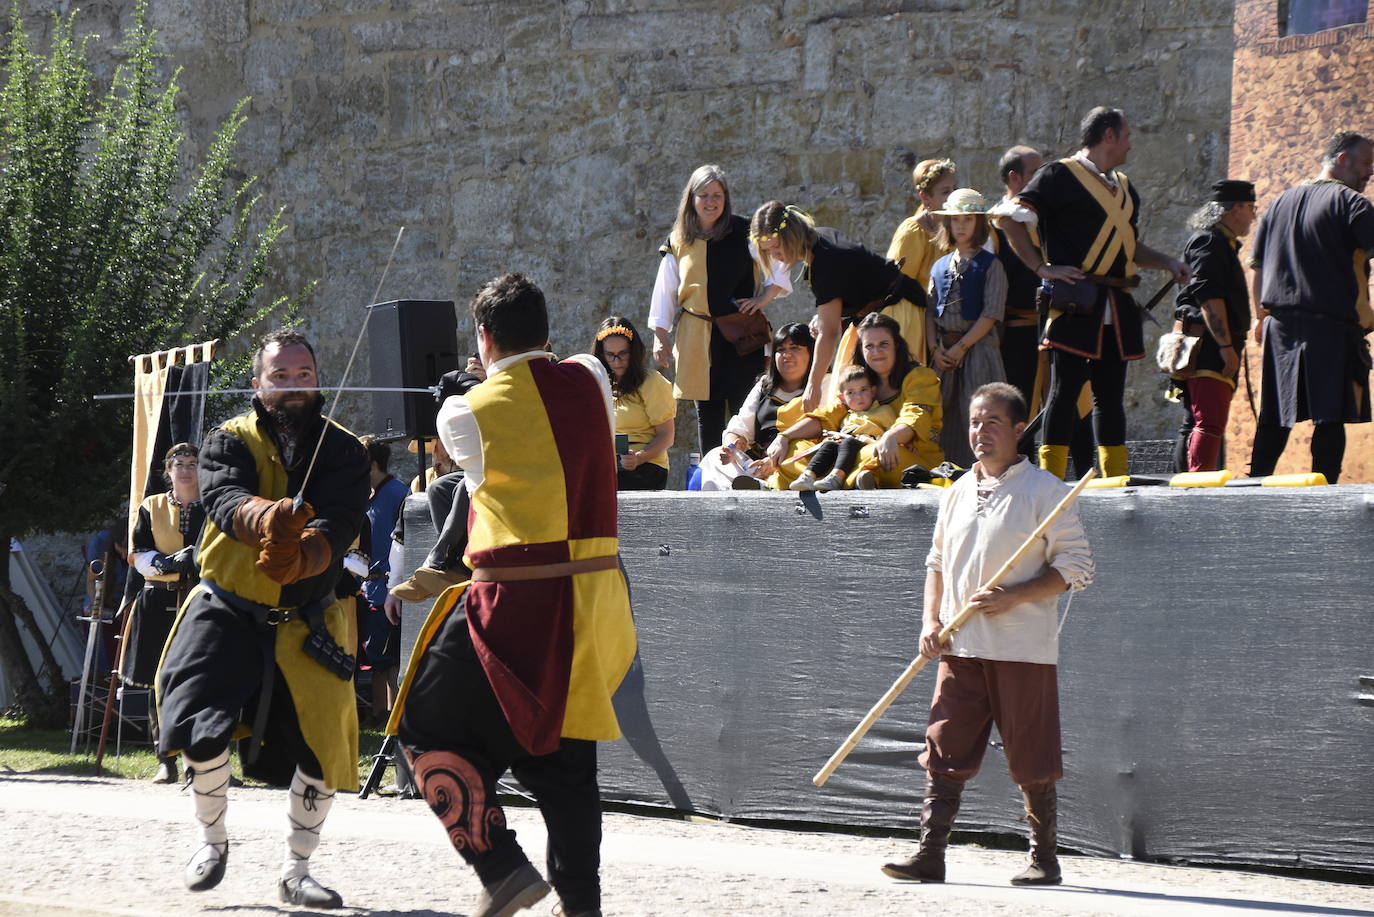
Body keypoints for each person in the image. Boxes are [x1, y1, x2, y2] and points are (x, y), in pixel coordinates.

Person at [395, 273, 636, 917]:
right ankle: (581, 906)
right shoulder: (591, 376)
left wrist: (471, 387)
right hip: (593, 599)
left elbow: (471, 472)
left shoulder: (462, 413)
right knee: (565, 755)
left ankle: (499, 866)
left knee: (420, 727)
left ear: (484, 336)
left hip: (513, 603)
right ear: (546, 332)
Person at [155, 330, 369, 908]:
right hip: (227, 605)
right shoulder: (227, 439)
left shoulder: (346, 450)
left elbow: (343, 518)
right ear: (258, 383)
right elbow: (224, 499)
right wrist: (268, 520)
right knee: (197, 726)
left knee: (324, 747)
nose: (294, 385)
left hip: (309, 615)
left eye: (304, 375)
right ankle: (212, 841)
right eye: (281, 376)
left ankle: (297, 872)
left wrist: (307, 553)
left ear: (317, 380)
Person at [881, 382, 1093, 887]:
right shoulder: (955, 491)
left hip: (1022, 648)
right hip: (960, 646)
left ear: (1019, 429)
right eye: (975, 422)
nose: (981, 431)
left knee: (1032, 755)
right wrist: (931, 623)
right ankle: (929, 855)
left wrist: (1013, 597)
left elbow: (1078, 567)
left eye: (993, 422)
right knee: (943, 748)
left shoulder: (1046, 491)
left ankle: (1044, 859)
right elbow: (936, 563)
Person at [999, 107, 1190, 479]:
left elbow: (1129, 247)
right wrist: (1041, 268)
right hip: (1075, 301)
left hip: (1116, 306)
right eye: (1126, 136)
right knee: (1064, 393)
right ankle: (1050, 480)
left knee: (1110, 397)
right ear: (1108, 136)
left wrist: (1168, 262)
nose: (1130, 144)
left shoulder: (1125, 188)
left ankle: (1115, 481)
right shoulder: (1058, 175)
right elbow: (1009, 219)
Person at [1248, 132, 1374, 483]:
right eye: (1366, 163)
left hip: (1279, 327)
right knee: (1330, 417)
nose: (1371, 172)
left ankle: (1250, 489)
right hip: (1330, 326)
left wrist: (1260, 318)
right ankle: (1325, 497)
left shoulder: (1279, 202)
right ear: (1342, 160)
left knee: (1274, 417)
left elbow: (1257, 268)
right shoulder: (1353, 204)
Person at [648, 165, 792, 451]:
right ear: (692, 198)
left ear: (725, 198)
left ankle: (749, 471)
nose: (710, 202)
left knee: (745, 409)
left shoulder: (745, 232)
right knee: (708, 413)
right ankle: (710, 473)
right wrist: (660, 336)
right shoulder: (679, 240)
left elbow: (782, 256)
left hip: (742, 333)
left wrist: (764, 297)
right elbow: (665, 290)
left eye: (717, 195)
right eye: (704, 195)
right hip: (698, 335)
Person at [751, 202, 927, 411]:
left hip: (893, 315)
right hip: (874, 318)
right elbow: (849, 292)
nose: (774, 255)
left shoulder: (825, 261)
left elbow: (829, 333)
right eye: (768, 250)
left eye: (776, 247)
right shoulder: (821, 240)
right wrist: (823, 317)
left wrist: (813, 386)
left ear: (791, 235)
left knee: (888, 396)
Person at [768, 313, 942, 487]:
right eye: (869, 346)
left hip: (904, 456)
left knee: (870, 453)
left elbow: (915, 418)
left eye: (883, 344)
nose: (876, 352)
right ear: (861, 349)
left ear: (896, 345)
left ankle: (838, 478)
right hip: (847, 452)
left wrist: (890, 437)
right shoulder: (859, 379)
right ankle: (844, 479)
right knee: (794, 449)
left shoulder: (920, 376)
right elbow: (828, 416)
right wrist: (784, 437)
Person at [126, 442, 206, 784]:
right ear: (168, 470)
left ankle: (201, 761)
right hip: (158, 600)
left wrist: (196, 558)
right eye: (179, 464)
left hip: (201, 601)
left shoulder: (213, 505)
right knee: (158, 681)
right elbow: (138, 552)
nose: (185, 469)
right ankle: (166, 760)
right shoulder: (152, 505)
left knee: (201, 681)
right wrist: (165, 562)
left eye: (192, 463)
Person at [1170, 180, 1258, 472]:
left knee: (1196, 421)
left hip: (1209, 343)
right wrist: (1225, 346)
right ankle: (1196, 487)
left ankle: (1187, 485)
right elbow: (1208, 297)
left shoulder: (1218, 242)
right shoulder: (1210, 242)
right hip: (1208, 345)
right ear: (1235, 209)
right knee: (1209, 422)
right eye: (1251, 208)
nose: (1253, 217)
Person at [927, 189, 1009, 468]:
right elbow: (930, 311)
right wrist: (935, 349)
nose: (961, 226)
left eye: (968, 220)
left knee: (980, 412)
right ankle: (947, 473)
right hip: (944, 355)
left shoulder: (991, 266)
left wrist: (962, 347)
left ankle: (989, 471)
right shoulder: (939, 266)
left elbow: (991, 313)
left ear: (979, 223)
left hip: (979, 351)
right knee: (942, 415)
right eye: (955, 220)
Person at [699, 322, 815, 491]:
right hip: (759, 463)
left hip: (798, 458)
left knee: (800, 456)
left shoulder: (824, 385)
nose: (786, 355)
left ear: (812, 353)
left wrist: (775, 458)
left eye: (794, 348)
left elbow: (824, 425)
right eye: (780, 350)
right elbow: (741, 426)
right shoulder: (765, 386)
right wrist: (732, 447)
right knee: (714, 457)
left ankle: (759, 487)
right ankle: (748, 487)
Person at [358, 435, 409, 726]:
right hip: (369, 589)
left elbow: (404, 543)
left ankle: (393, 717)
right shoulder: (367, 496)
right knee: (375, 657)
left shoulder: (398, 494)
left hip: (389, 590)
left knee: (390, 660)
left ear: (372, 463)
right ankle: (379, 715)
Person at [887, 157, 959, 363]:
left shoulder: (959, 228)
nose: (953, 196)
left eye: (955, 189)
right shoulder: (913, 232)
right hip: (916, 324)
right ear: (926, 198)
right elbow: (895, 283)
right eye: (945, 192)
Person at [989, 145, 1046, 411]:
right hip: (1013, 337)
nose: (1043, 179)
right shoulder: (992, 227)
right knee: (1017, 410)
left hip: (1052, 331)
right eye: (1035, 172)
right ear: (1014, 177)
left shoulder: (1046, 220)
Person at [595, 316, 676, 490]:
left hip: (646, 464)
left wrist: (638, 458)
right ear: (601, 354)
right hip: (608, 463)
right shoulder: (598, 382)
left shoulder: (652, 382)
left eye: (623, 353)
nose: (617, 361)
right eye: (610, 355)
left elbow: (667, 435)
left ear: (634, 351)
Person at [789, 364, 895, 492]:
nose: (858, 396)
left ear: (873, 391)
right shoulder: (846, 417)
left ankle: (836, 478)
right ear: (843, 398)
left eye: (863, 390)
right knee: (829, 445)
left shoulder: (884, 411)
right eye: (851, 393)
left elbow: (893, 433)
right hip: (846, 447)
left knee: (849, 442)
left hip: (867, 445)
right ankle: (808, 476)